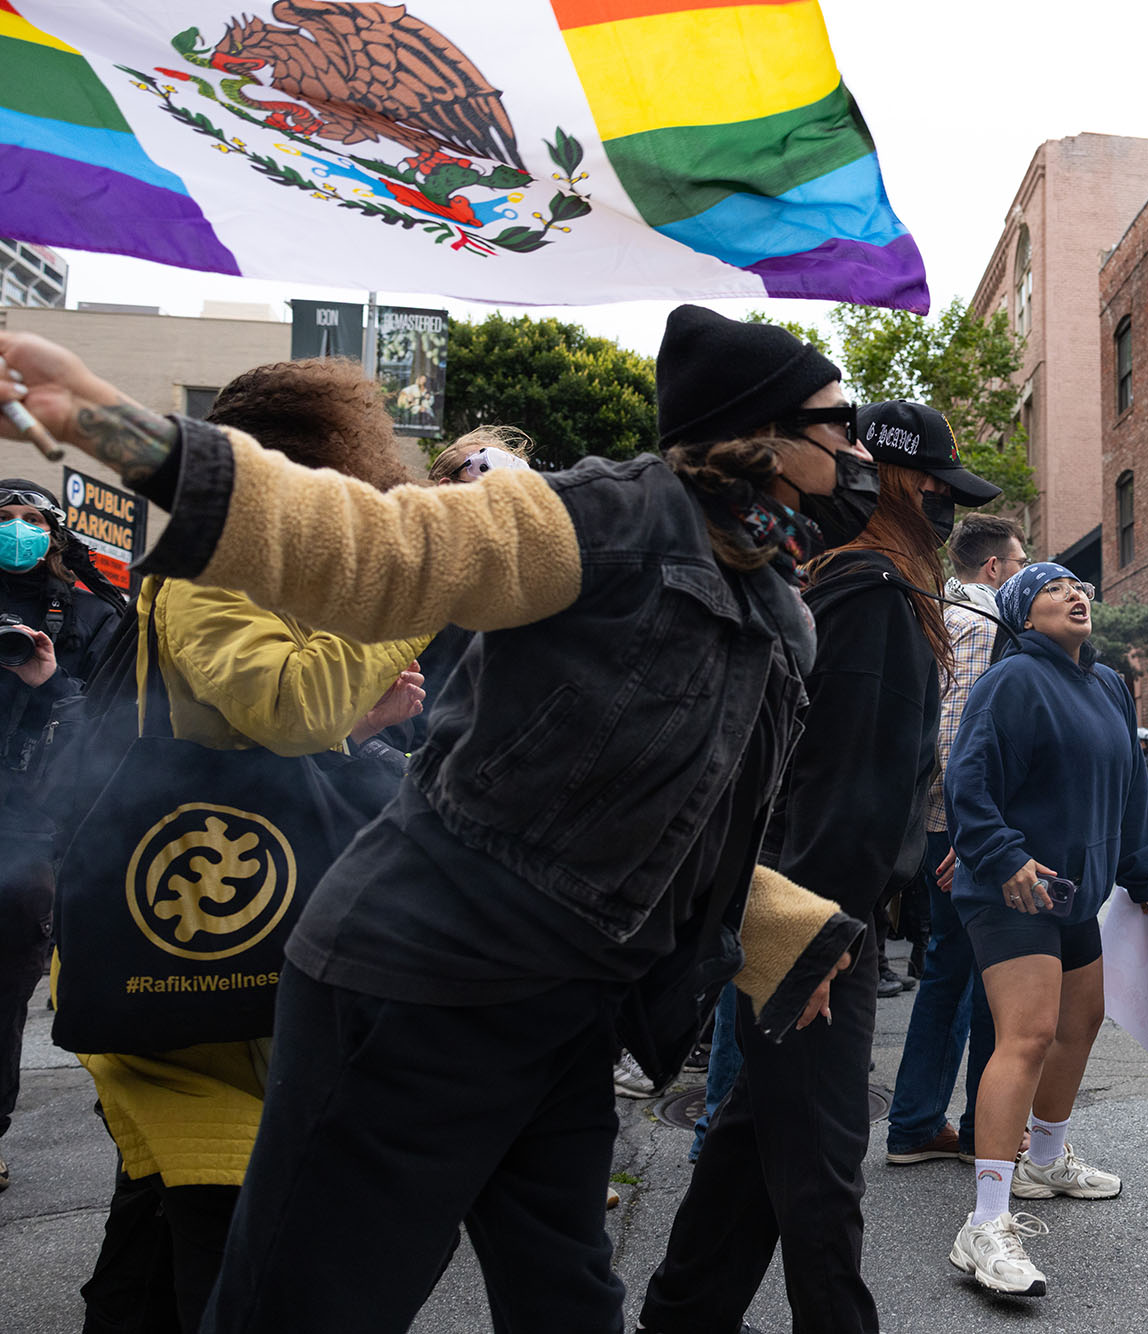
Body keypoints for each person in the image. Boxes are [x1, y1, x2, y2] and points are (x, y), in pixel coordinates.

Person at [0, 310, 870, 1334]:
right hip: (414, 989)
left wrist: (785, 938)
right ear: (763, 436)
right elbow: (374, 544)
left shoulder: (766, 598)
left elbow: (664, 820)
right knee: (303, 1304)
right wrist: (116, 428)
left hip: (554, 1000)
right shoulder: (598, 518)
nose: (858, 450)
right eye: (840, 423)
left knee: (565, 1296)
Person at [73, 357, 430, 1333]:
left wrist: (351, 721)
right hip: (190, 969)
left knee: (155, 1238)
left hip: (204, 961)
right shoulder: (208, 569)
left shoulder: (244, 573)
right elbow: (289, 705)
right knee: (220, 1242)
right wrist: (419, 590)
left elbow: (265, 730)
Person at [643, 399, 998, 1334]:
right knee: (824, 1167)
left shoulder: (842, 583)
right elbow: (847, 796)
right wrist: (816, 943)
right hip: (814, 926)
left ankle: (680, 1315)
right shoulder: (875, 597)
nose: (943, 507)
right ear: (897, 483)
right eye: (933, 487)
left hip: (794, 913)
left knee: (755, 1139)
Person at [941, 562, 1148, 1298]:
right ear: (1022, 616)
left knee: (1081, 1022)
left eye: (1080, 585)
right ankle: (986, 1222)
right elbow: (967, 780)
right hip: (1010, 891)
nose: (1076, 594)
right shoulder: (1011, 681)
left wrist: (1141, 875)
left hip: (1074, 896)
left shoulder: (1106, 685)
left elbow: (1133, 785)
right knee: (1028, 1036)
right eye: (1052, 588)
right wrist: (1004, 855)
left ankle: (1046, 1160)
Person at [882, 512, 1024, 1167]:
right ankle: (970, 1132)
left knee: (954, 973)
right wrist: (968, 839)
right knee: (984, 976)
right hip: (962, 831)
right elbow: (955, 736)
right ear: (993, 568)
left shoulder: (944, 616)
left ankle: (921, 1122)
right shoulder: (981, 624)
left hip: (949, 827)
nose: (1024, 576)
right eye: (1020, 565)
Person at [0, 479, 123, 1195]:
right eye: (3, 519)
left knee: (5, 989)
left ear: (55, 530)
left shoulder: (90, 615)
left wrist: (49, 680)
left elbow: (103, 734)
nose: (17, 530)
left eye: (29, 519)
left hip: (32, 828)